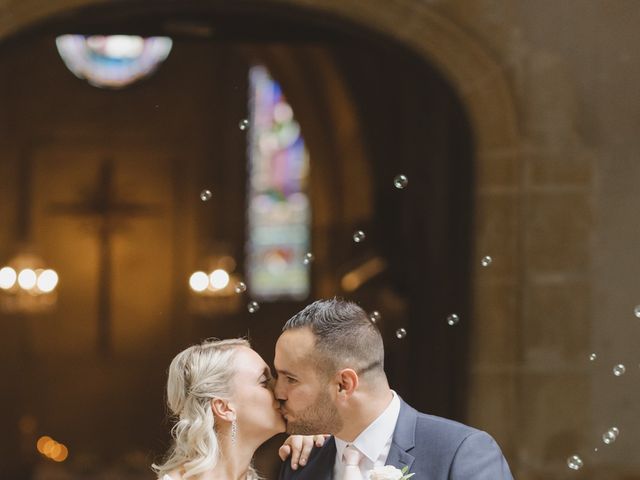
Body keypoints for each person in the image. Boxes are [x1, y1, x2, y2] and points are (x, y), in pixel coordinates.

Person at [274, 298, 514, 480]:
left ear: (343, 385)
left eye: (291, 379)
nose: (278, 392)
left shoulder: (460, 453)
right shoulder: (300, 465)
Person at [153, 338, 325, 480]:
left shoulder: (303, 459)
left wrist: (321, 456)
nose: (279, 391)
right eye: (264, 381)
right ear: (224, 408)